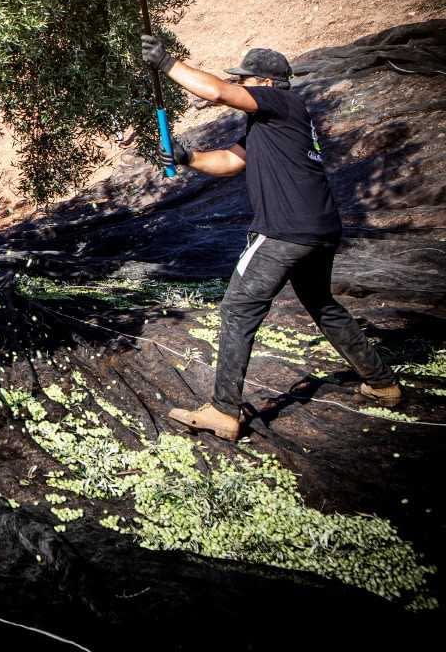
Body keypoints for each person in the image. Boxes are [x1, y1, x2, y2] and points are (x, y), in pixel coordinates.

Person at [140, 36, 402, 441]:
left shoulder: (282, 103)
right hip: (317, 231)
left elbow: (216, 90)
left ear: (264, 82)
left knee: (237, 308)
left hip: (283, 232)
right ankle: (381, 381)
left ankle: (224, 410)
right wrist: (187, 158)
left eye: (246, 79)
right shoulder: (273, 123)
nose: (241, 84)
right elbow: (230, 162)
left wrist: (167, 63)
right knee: (321, 304)